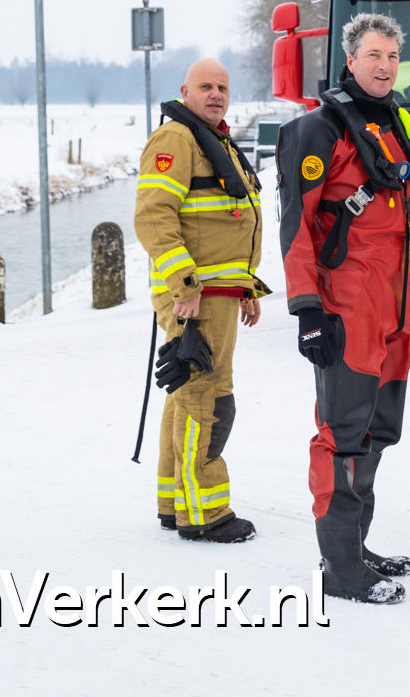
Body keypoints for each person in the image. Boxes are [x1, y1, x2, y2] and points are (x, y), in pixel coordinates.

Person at [278, 12, 410, 605]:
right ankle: (339, 569)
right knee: (342, 434)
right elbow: (296, 227)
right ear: (349, 60)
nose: (384, 66)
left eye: (392, 56)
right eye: (373, 55)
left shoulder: (400, 124)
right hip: (346, 308)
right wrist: (306, 309)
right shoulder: (319, 130)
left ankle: (355, 548)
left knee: (378, 431)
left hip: (396, 310)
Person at [135, 57, 269, 543]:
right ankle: (205, 513)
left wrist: (246, 285)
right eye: (206, 86)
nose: (216, 94)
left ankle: (175, 503)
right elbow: (153, 217)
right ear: (185, 91)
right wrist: (185, 287)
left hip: (217, 293)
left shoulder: (211, 138)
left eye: (223, 88)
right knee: (207, 399)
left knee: (187, 395)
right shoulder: (177, 139)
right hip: (196, 297)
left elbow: (223, 223)